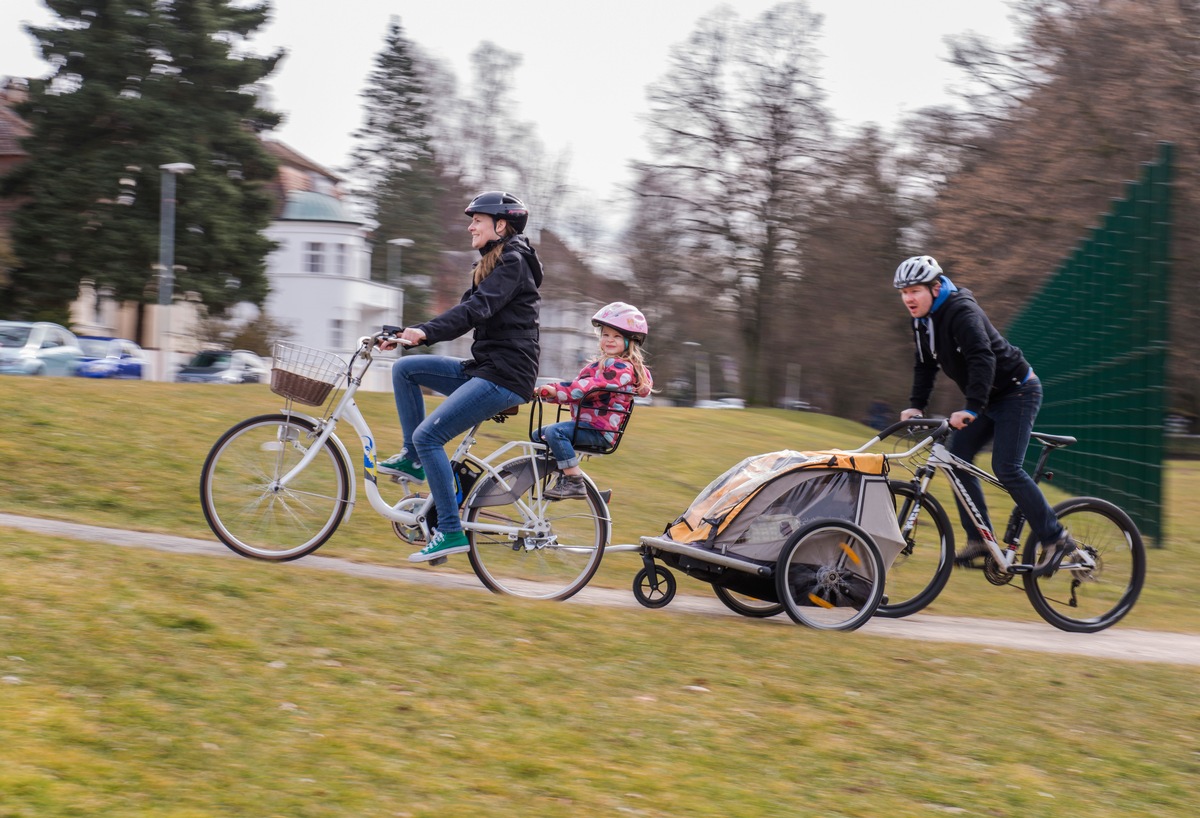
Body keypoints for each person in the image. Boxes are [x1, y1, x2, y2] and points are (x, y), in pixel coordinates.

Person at [378, 191, 543, 563]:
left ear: (501, 226)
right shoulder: (494, 261)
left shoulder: (513, 261)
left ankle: (450, 531)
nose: (471, 226)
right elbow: (466, 310)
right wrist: (408, 332)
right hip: (485, 368)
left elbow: (475, 310)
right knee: (407, 369)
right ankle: (413, 458)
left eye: (477, 220)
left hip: (505, 376)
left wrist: (424, 333)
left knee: (430, 435)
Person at [893, 254, 1075, 577]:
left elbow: (983, 358)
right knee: (955, 456)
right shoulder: (922, 322)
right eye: (904, 292)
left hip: (1018, 391)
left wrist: (972, 407)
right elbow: (925, 365)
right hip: (990, 398)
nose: (908, 298)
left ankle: (1057, 538)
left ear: (935, 288)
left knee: (1006, 467)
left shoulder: (962, 312)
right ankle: (980, 539)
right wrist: (916, 404)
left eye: (915, 291)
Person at [533, 302, 654, 500]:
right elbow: (577, 388)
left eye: (616, 336)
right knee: (538, 435)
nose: (609, 340)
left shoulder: (620, 369)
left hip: (599, 430)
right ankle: (571, 481)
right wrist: (549, 393)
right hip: (586, 425)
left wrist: (555, 390)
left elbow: (586, 389)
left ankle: (574, 482)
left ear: (630, 341)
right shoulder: (600, 366)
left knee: (555, 432)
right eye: (605, 334)